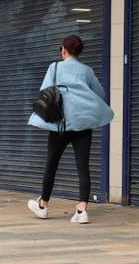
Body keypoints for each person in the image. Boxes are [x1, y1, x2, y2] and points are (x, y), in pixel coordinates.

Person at [27, 35, 114, 224]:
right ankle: (82, 210)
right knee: (83, 166)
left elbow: (45, 91)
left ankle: (43, 206)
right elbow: (100, 94)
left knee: (51, 164)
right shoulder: (87, 71)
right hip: (83, 124)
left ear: (63, 50)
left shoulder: (55, 67)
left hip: (60, 124)